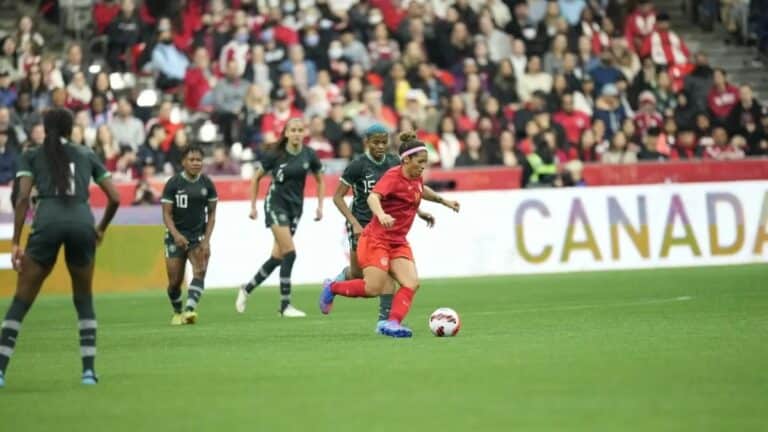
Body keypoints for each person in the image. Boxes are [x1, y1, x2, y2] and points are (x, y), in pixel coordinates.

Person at [0, 108, 120, 387]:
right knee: (83, 299)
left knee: (21, 300)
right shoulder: (86, 154)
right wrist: (100, 229)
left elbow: (20, 200)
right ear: (70, 129)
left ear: (45, 127)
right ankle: (88, 372)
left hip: (47, 222)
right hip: (81, 222)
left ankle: (1, 370)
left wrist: (16, 242)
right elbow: (114, 197)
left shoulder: (31, 154)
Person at [318, 136, 460, 338]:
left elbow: (419, 190)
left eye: (424, 163)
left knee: (411, 283)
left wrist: (442, 201)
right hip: (376, 239)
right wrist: (381, 214)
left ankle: (391, 323)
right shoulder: (393, 177)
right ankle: (332, 287)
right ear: (406, 160)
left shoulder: (415, 176)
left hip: (398, 241)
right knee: (373, 288)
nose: (423, 167)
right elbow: (373, 197)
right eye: (419, 162)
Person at [330, 127, 435, 323]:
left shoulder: (395, 162)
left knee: (392, 279)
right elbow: (338, 197)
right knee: (359, 275)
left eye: (383, 142)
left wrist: (419, 211)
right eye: (375, 142)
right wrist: (353, 223)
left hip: (389, 227)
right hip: (363, 223)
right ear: (366, 143)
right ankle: (333, 285)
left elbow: (406, 192)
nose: (380, 146)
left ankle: (386, 322)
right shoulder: (357, 165)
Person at [235, 118, 325, 317]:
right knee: (290, 252)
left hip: (295, 208)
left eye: (300, 130)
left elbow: (320, 179)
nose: (296, 133)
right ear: (286, 133)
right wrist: (253, 206)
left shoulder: (309, 154)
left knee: (277, 257)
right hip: (275, 204)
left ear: (304, 133)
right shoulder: (275, 154)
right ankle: (285, 306)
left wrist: (320, 206)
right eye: (293, 130)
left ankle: (246, 289)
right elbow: (256, 177)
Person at [161, 145, 218, 325]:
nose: (196, 163)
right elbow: (166, 214)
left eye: (199, 160)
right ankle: (177, 311)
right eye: (192, 160)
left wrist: (206, 240)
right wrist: (176, 235)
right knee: (175, 282)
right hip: (175, 238)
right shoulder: (173, 184)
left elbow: (212, 215)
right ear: (183, 162)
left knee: (200, 272)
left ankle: (189, 310)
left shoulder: (207, 184)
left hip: (197, 238)